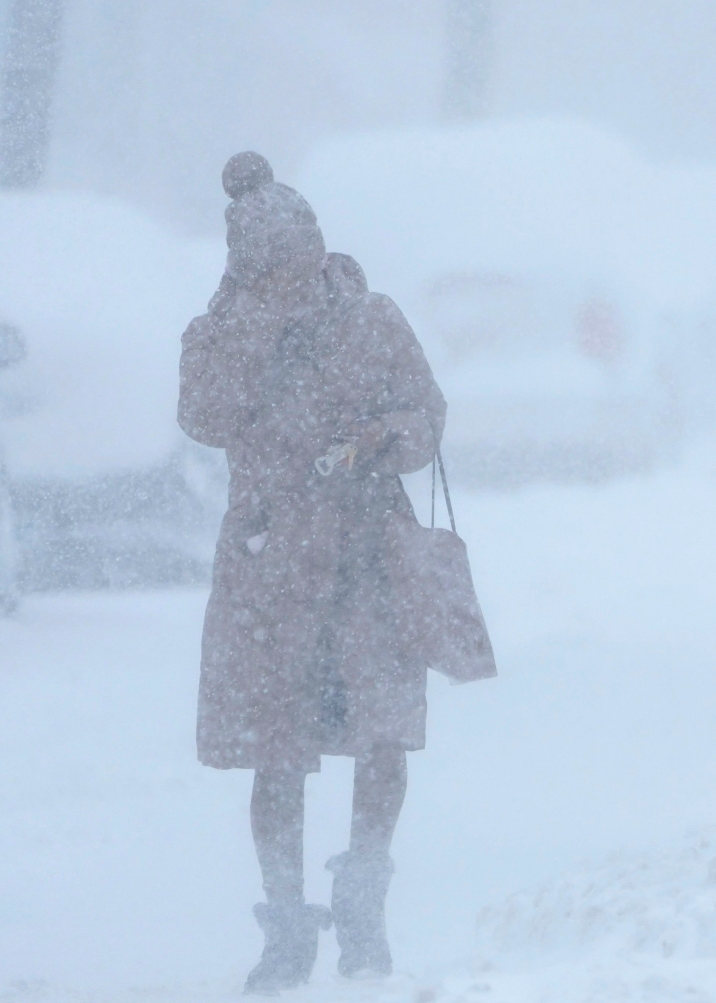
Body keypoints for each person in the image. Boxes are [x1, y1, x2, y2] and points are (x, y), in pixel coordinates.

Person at [179, 152, 447, 992]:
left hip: (367, 556)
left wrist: (382, 439)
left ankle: (364, 904)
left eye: (297, 259)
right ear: (246, 265)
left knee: (381, 733)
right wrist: (254, 328)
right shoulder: (220, 331)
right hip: (271, 567)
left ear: (316, 246)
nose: (290, 278)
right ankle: (286, 924)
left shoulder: (372, 318)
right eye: (270, 268)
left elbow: (425, 413)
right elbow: (204, 416)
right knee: (274, 750)